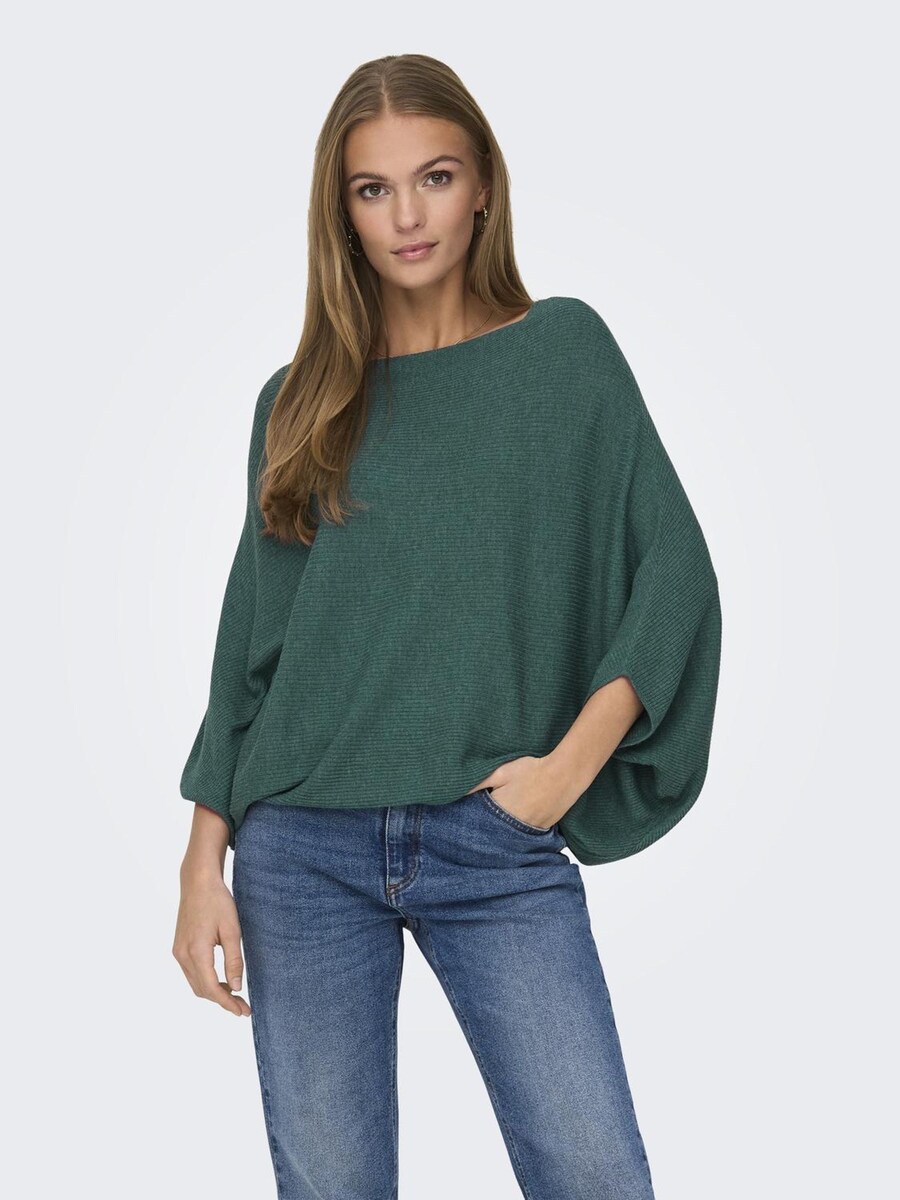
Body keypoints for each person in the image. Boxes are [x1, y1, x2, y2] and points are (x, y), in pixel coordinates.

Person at [172, 53, 722, 1200]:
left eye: (435, 176)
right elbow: (251, 645)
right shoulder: (297, 401)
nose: (408, 216)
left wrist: (566, 772)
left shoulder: (564, 354)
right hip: (301, 851)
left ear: (483, 187)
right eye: (373, 189)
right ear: (343, 212)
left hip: (495, 840)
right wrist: (199, 863)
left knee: (595, 1174)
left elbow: (674, 573)